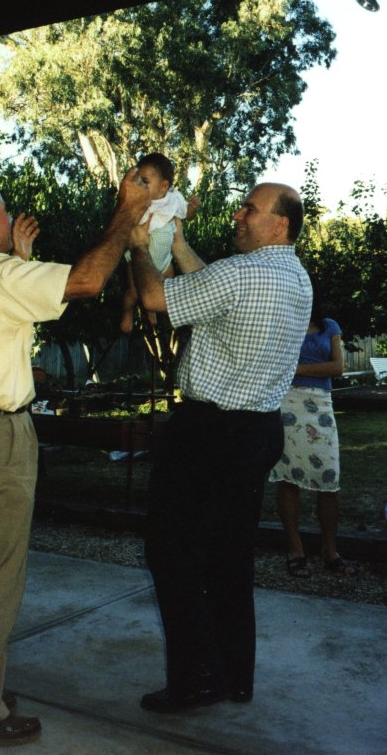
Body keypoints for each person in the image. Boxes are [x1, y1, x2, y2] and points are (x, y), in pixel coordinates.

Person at [0, 172, 149, 748]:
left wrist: (19, 260)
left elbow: (11, 315)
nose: (10, 215)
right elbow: (88, 280)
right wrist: (126, 213)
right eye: (3, 210)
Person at [128, 182, 312, 713]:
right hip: (256, 433)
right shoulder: (293, 276)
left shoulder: (241, 273)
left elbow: (154, 298)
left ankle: (196, 679)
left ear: (279, 223)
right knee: (230, 557)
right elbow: (216, 290)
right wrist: (180, 245)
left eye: (250, 208)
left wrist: (140, 249)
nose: (238, 214)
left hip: (209, 433)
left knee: (173, 553)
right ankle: (235, 675)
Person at [268, 281, 356, 577]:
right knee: (288, 479)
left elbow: (338, 367)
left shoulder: (330, 326)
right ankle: (296, 550)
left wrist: (297, 369)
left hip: (320, 408)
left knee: (329, 479)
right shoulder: (282, 325)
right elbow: (272, 366)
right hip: (286, 406)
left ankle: (330, 551)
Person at [120, 153, 199, 333]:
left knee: (167, 289)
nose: (139, 185)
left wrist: (192, 209)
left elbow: (185, 214)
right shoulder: (138, 201)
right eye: (137, 180)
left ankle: (152, 310)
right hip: (139, 258)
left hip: (164, 260)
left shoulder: (174, 199)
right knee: (133, 292)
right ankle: (127, 312)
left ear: (163, 186)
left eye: (145, 181)